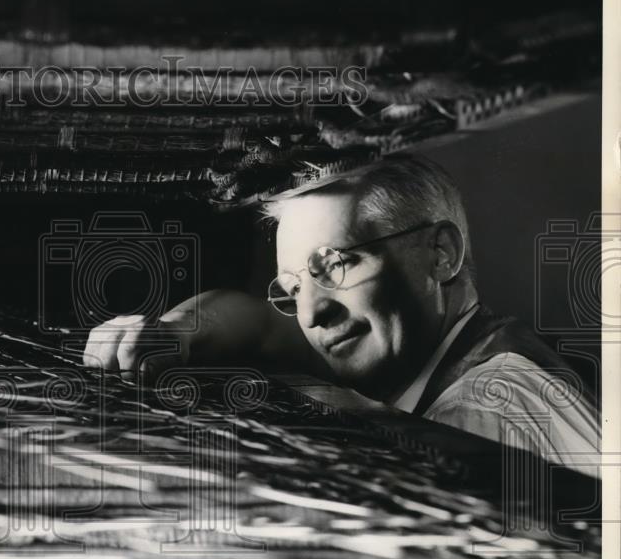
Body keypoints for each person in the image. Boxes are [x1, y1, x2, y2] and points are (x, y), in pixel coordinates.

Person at [83, 154, 600, 473]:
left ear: (440, 254)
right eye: (292, 287)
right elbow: (258, 321)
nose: (309, 313)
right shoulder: (437, 349)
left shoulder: (484, 416)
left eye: (336, 265)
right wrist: (174, 331)